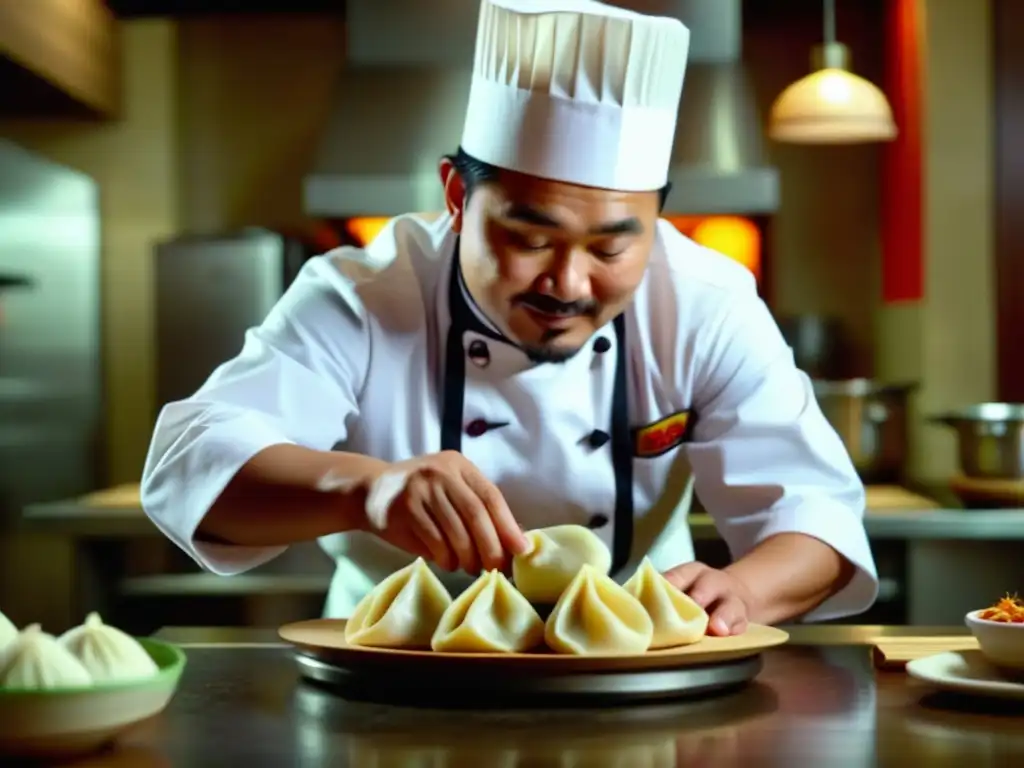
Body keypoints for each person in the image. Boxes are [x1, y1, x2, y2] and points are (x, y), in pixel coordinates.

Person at [141, 0, 878, 635]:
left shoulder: (705, 303)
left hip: (638, 666)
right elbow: (193, 464)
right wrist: (367, 489)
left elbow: (817, 517)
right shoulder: (362, 295)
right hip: (396, 671)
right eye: (530, 239)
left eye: (611, 246)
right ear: (457, 199)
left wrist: (744, 590)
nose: (568, 282)